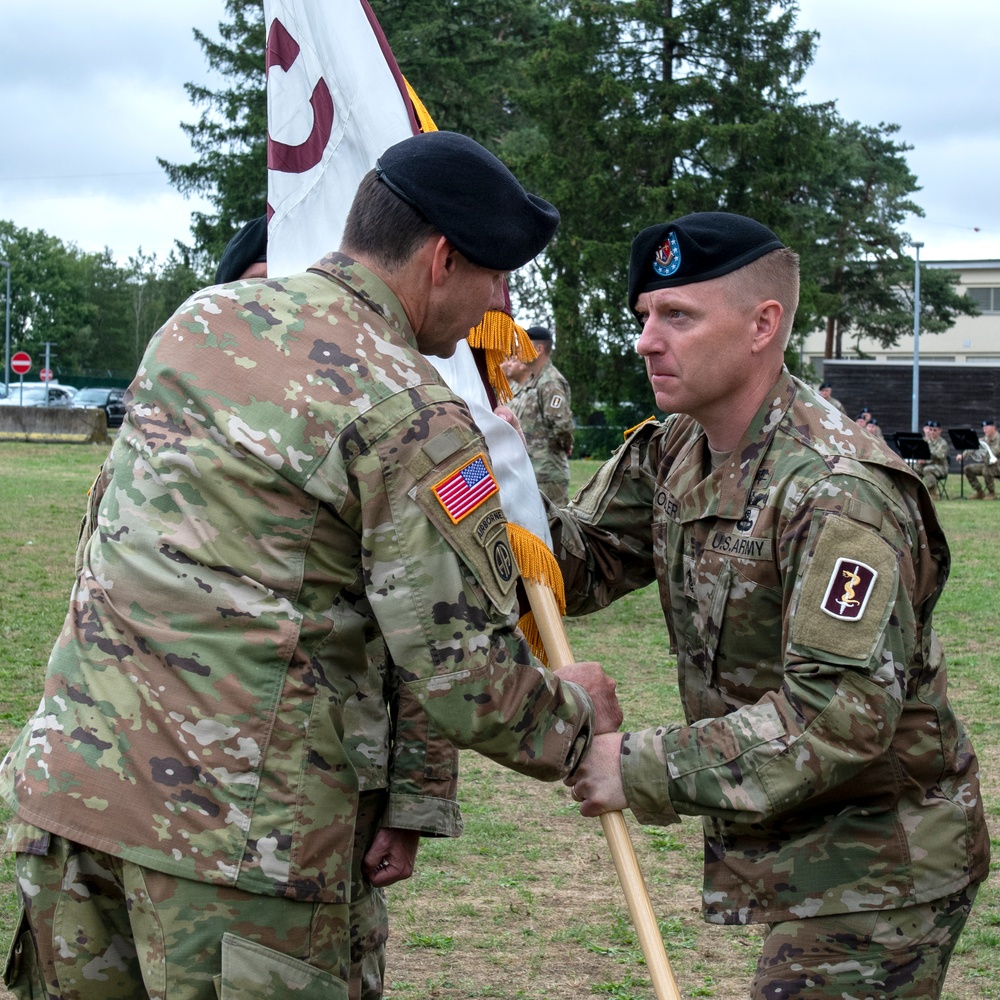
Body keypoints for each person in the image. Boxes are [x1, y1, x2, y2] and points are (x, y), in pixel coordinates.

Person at [0, 130, 623, 1000]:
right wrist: (579, 717)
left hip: (71, 804)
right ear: (444, 259)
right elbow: (464, 678)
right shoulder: (412, 411)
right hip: (235, 853)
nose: (500, 305)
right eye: (497, 279)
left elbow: (102, 534)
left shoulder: (200, 323)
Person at [553, 212, 988, 999]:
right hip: (800, 839)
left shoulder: (837, 490)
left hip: (881, 858)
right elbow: (580, 569)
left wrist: (638, 764)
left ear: (764, 325)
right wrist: (495, 477)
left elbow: (839, 716)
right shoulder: (675, 448)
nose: (648, 340)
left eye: (678, 316)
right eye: (644, 317)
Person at [212, 215, 462, 1000]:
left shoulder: (381, 416)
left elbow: (420, 639)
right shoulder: (184, 412)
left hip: (305, 804)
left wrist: (415, 801)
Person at [508, 325, 576, 505]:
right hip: (532, 470)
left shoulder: (550, 382)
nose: (518, 350)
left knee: (553, 527)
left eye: (523, 344)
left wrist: (565, 445)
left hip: (548, 473)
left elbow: (562, 425)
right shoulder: (533, 380)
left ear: (538, 349)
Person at [956, 418, 999, 500]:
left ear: (994, 427)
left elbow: (995, 451)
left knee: (986, 470)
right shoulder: (984, 439)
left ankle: (991, 493)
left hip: (997, 466)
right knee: (968, 469)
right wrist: (962, 455)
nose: (984, 429)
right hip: (987, 464)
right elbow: (972, 447)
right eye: (983, 428)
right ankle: (979, 492)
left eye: (987, 427)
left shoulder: (999, 439)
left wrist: (987, 453)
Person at [916, 419, 950, 500]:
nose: (932, 432)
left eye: (935, 430)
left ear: (940, 431)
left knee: (927, 470)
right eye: (930, 430)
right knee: (915, 468)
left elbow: (940, 456)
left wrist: (927, 457)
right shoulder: (926, 442)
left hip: (940, 467)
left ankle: (932, 492)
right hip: (927, 465)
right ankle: (914, 490)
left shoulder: (942, 443)